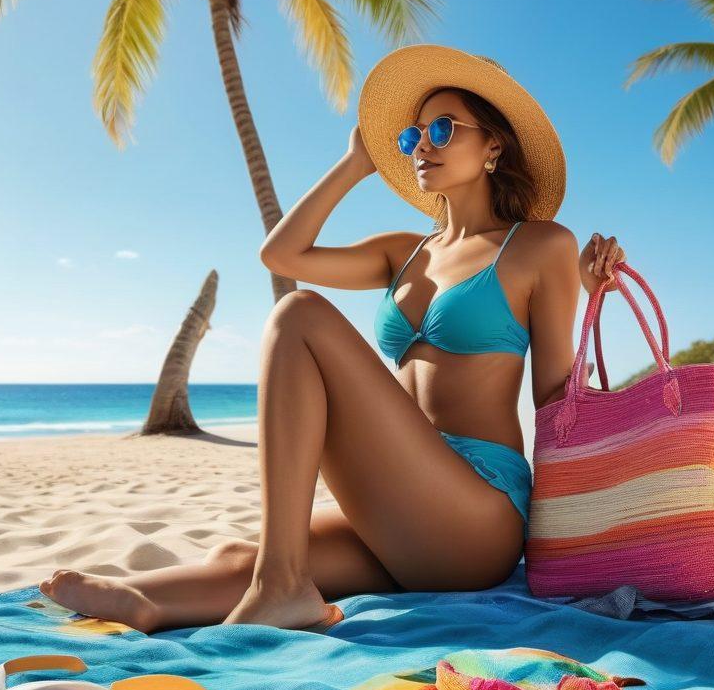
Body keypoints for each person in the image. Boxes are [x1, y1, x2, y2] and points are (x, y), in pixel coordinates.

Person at [40, 46, 624, 633]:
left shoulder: (541, 245)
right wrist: (353, 165)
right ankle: (148, 601)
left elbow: (555, 397)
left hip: (478, 511)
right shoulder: (404, 252)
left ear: (493, 145)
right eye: (413, 135)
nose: (422, 146)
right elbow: (281, 254)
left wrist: (592, 294)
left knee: (299, 315)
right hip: (402, 500)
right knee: (243, 556)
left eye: (443, 129)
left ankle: (282, 586)